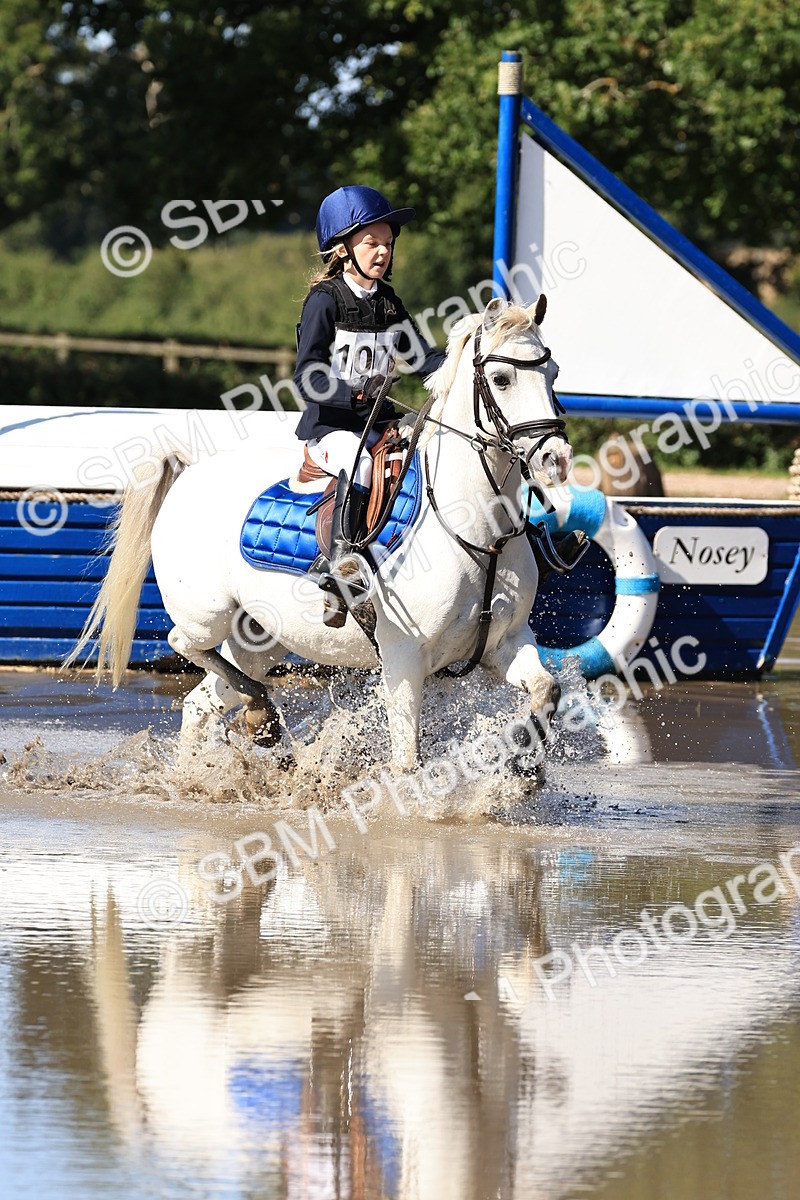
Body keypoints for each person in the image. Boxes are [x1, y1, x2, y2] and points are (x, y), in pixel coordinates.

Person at [294, 185, 445, 612]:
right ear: (342, 249)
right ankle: (339, 568)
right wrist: (358, 391)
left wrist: (465, 365)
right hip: (330, 430)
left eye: (388, 244)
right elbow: (306, 377)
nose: (382, 252)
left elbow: (422, 359)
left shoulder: (389, 303)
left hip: (379, 425)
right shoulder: (324, 302)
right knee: (358, 461)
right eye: (371, 243)